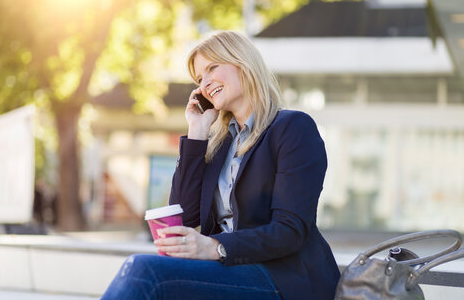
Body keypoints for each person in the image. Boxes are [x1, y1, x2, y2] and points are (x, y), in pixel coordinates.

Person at [101, 31, 340, 300]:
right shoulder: (220, 144)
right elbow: (186, 218)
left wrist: (215, 246)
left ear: (242, 63)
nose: (204, 83)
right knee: (142, 268)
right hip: (228, 273)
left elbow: (289, 230)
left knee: (145, 270)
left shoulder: (292, 128)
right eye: (199, 78)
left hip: (282, 278)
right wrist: (197, 133)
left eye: (212, 68)